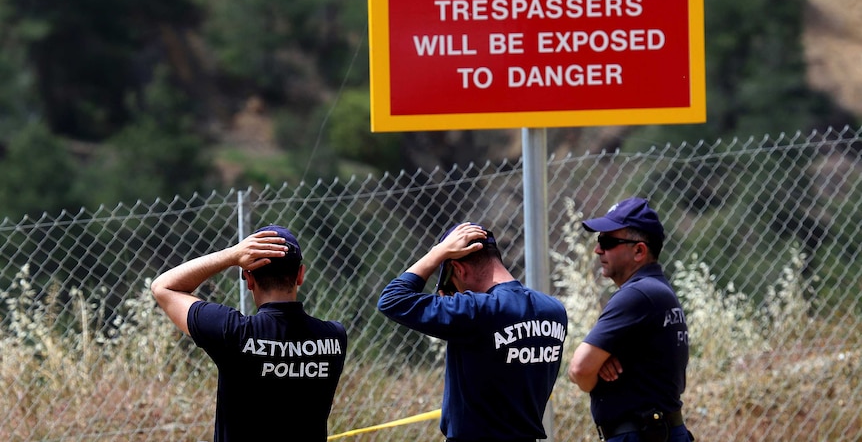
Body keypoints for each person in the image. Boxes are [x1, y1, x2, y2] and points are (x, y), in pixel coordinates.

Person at [151, 224, 348, 442]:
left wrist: (232, 255)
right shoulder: (334, 338)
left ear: (249, 279)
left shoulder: (233, 332)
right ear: (300, 275)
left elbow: (163, 287)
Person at [378, 222, 568, 442]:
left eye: (452, 285)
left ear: (459, 269)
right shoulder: (554, 310)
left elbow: (392, 299)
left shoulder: (475, 311)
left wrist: (437, 253)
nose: (453, 294)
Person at [566, 197, 694, 442]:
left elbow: (580, 369)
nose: (597, 249)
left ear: (639, 251)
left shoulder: (637, 295)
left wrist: (594, 369)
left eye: (608, 241)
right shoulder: (657, 290)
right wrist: (600, 361)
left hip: (640, 434)